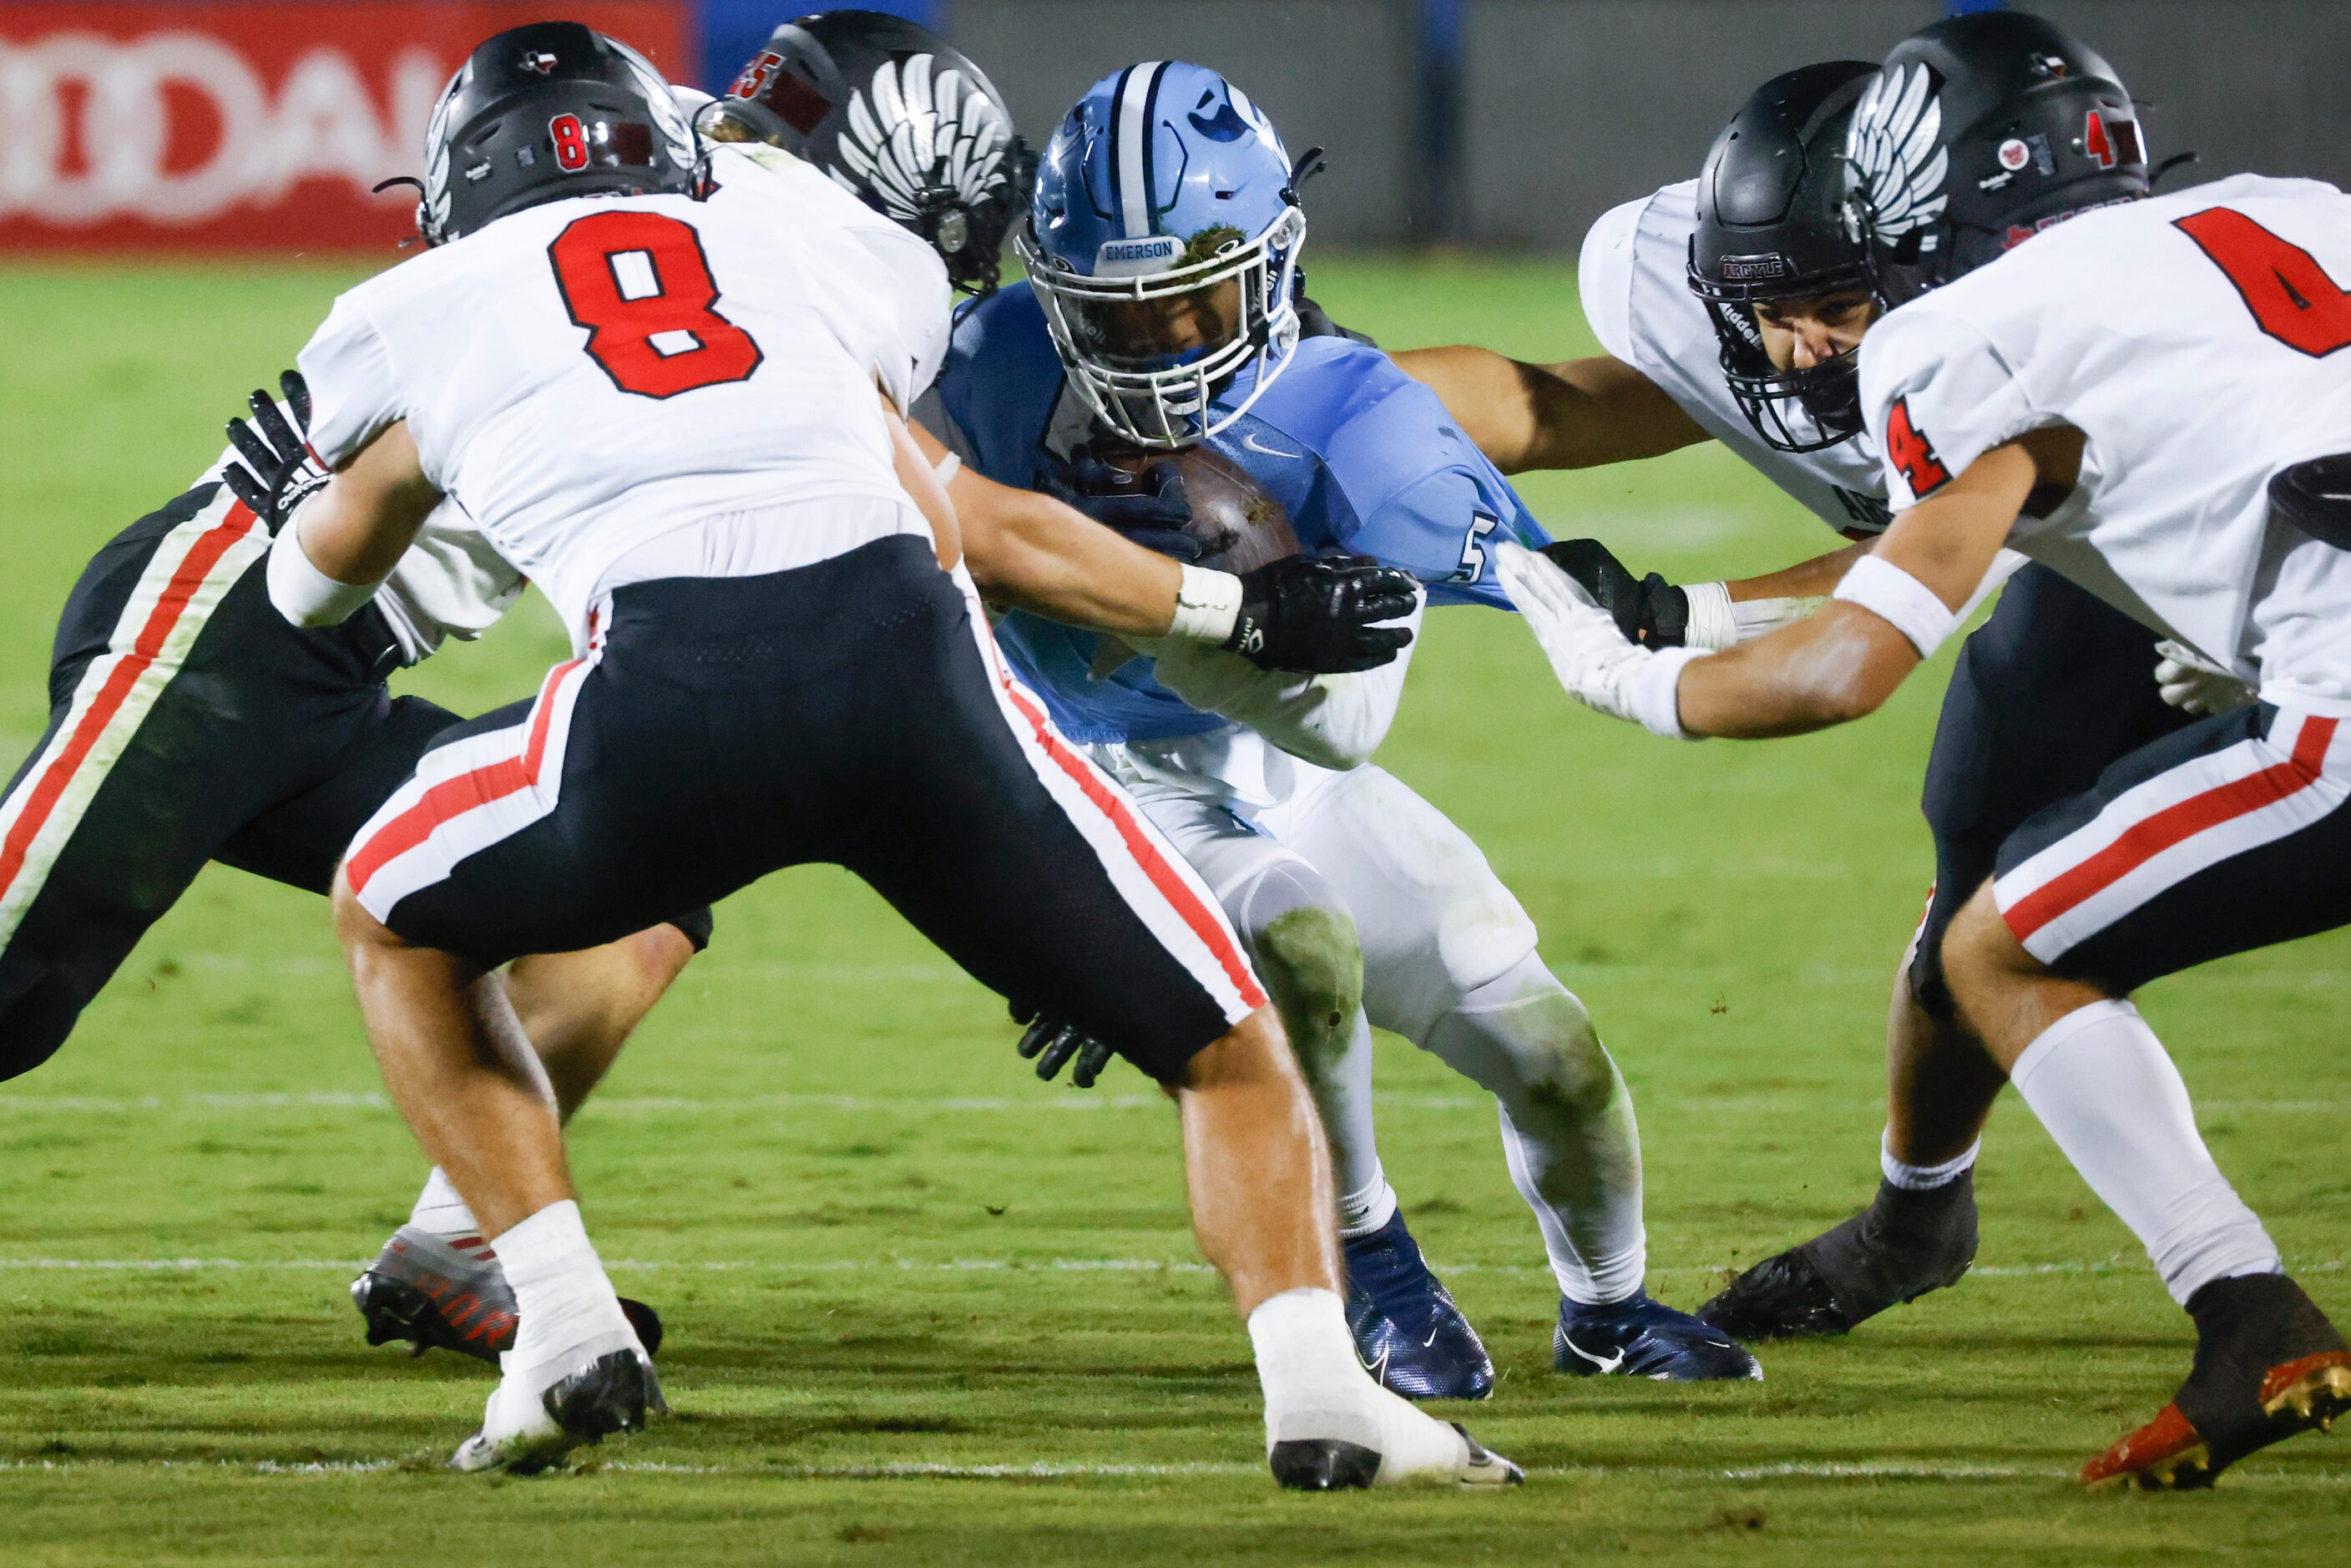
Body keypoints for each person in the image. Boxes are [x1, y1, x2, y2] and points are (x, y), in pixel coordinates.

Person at [273, 21, 1514, 1488]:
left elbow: (309, 581)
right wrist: (1233, 608)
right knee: (1228, 1043)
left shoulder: (409, 302)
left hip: (664, 697)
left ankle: (556, 1323)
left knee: (391, 905)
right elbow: (955, 500)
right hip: (916, 672)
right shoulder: (811, 238)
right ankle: (1322, 1396)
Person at [1496, 8, 2351, 1487]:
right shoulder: (2293, 211)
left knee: (2000, 948)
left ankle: (2249, 1311)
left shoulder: (1953, 337)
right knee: (1999, 840)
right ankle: (1921, 1223)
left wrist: (1619, 670)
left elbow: (1852, 665)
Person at [927, 58, 1762, 1398]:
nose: (1161, 349)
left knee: (1554, 1053)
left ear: (1271, 267)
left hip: (1278, 760)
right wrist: (1035, 885)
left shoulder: (1353, 407)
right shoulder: (975, 374)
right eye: (1119, 315)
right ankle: (1377, 1268)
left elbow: (1466, 665)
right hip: (1097, 779)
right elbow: (898, 622)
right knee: (1300, 944)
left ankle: (1607, 1310)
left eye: (1195, 302)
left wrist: (1682, 614)